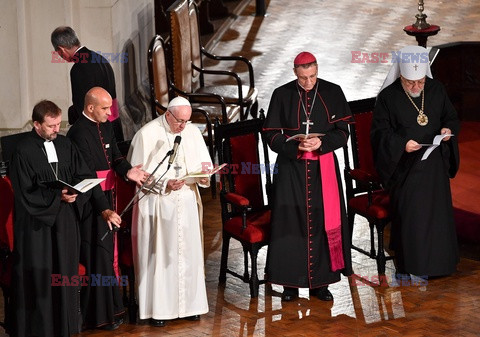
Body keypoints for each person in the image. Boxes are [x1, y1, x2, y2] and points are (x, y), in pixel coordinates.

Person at [8, 100, 121, 337]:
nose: (56, 130)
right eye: (50, 126)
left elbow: (84, 174)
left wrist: (75, 193)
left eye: (59, 124)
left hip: (66, 223)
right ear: (37, 124)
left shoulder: (66, 144)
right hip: (37, 228)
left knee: (66, 275)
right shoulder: (23, 150)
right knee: (43, 278)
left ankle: (67, 327)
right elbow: (24, 192)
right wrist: (55, 196)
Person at [263, 52, 353, 302]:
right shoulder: (281, 94)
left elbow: (343, 132)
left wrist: (320, 143)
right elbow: (270, 134)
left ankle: (321, 284)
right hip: (291, 169)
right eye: (303, 78)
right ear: (295, 73)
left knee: (324, 221)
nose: (308, 82)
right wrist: (294, 146)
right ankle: (290, 285)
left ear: (317, 70)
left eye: (312, 76)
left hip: (323, 168)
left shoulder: (333, 92)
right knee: (290, 222)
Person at [371, 45, 460, 279]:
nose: (416, 87)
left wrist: (447, 130)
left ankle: (442, 265)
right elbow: (380, 133)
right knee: (414, 217)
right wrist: (402, 144)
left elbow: (450, 117)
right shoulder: (388, 98)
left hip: (434, 167)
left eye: (420, 82)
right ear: (401, 75)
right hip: (406, 168)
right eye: (410, 82)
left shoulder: (436, 89)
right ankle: (414, 265)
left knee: (438, 216)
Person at [67, 87, 148, 330]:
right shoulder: (77, 133)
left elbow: (115, 156)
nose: (109, 112)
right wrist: (104, 210)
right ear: (90, 107)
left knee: (109, 254)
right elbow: (87, 175)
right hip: (92, 204)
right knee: (99, 255)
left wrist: (128, 171)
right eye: (104, 108)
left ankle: (114, 308)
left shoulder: (106, 125)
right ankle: (100, 315)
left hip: (109, 196)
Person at [127, 96, 211, 327]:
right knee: (162, 258)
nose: (183, 126)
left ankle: (191, 306)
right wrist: (164, 184)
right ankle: (160, 310)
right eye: (180, 121)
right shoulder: (147, 134)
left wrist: (205, 176)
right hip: (157, 206)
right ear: (168, 114)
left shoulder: (192, 132)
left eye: (187, 121)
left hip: (186, 204)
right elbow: (137, 176)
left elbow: (205, 163)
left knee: (189, 255)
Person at [51, 26, 124, 141]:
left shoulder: (78, 69)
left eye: (58, 53)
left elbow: (83, 109)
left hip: (98, 133)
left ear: (61, 50)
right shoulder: (100, 58)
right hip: (115, 125)